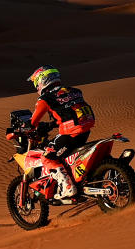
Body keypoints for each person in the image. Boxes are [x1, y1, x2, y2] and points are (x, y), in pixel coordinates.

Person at [26, 66, 96, 201]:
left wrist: (23, 128)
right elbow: (66, 111)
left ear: (43, 80)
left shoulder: (45, 99)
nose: (36, 87)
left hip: (71, 132)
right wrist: (52, 124)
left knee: (47, 157)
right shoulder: (74, 91)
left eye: (36, 83)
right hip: (85, 129)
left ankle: (68, 187)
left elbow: (32, 123)